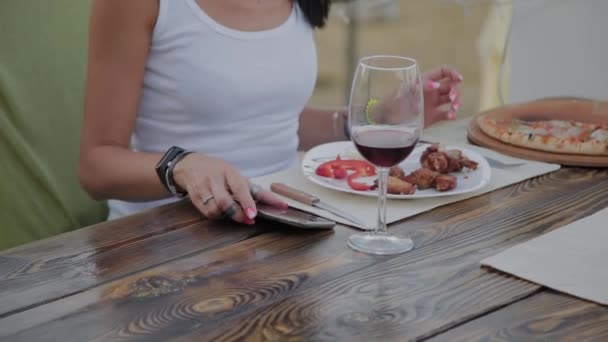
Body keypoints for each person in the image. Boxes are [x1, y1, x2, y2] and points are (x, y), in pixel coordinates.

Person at [78, 0, 463, 226]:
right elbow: (97, 166)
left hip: (287, 226)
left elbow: (269, 119)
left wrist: (372, 121)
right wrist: (182, 166)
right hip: (162, 239)